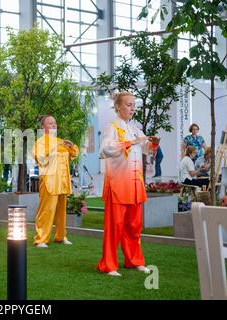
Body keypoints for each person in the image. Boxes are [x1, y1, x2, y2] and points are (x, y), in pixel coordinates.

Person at [98, 92, 159, 277]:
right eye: (129, 104)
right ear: (118, 106)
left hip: (135, 184)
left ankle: (134, 260)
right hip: (118, 183)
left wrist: (153, 143)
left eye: (133, 105)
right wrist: (131, 142)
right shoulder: (112, 127)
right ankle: (109, 264)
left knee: (134, 225)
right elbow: (104, 150)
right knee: (114, 225)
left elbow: (146, 149)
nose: (133, 108)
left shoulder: (134, 127)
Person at [32, 115, 79, 248]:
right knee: (46, 210)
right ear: (43, 127)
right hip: (49, 181)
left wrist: (72, 146)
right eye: (50, 123)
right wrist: (55, 145)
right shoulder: (40, 143)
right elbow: (40, 158)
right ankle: (41, 238)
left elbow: (74, 155)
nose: (54, 125)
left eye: (55, 123)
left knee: (61, 211)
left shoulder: (61, 141)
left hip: (63, 181)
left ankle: (61, 236)